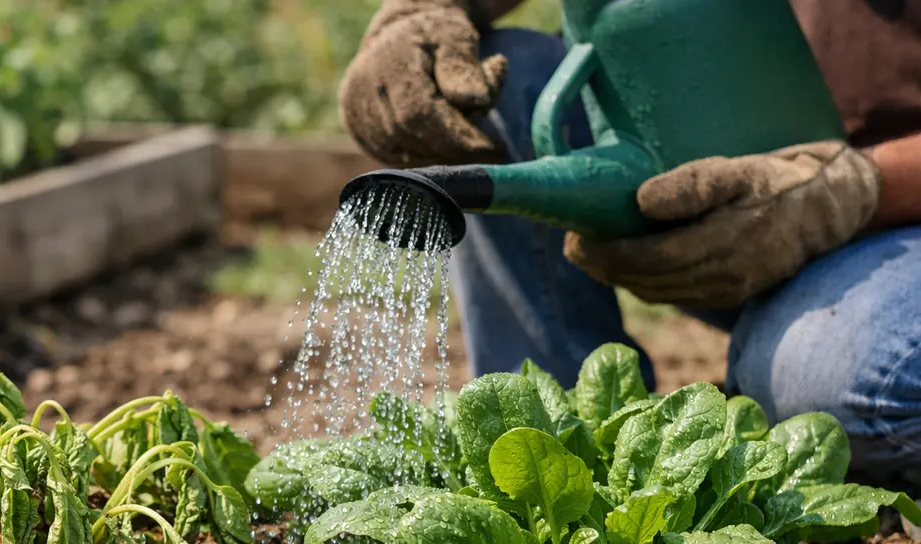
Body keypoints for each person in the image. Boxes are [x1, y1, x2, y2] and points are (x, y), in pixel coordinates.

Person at [338, 0, 921, 492]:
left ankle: (784, 367)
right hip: (719, 159)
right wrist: (417, 13)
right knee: (506, 86)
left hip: (897, 221)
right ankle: (544, 459)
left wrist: (853, 190)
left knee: (839, 382)